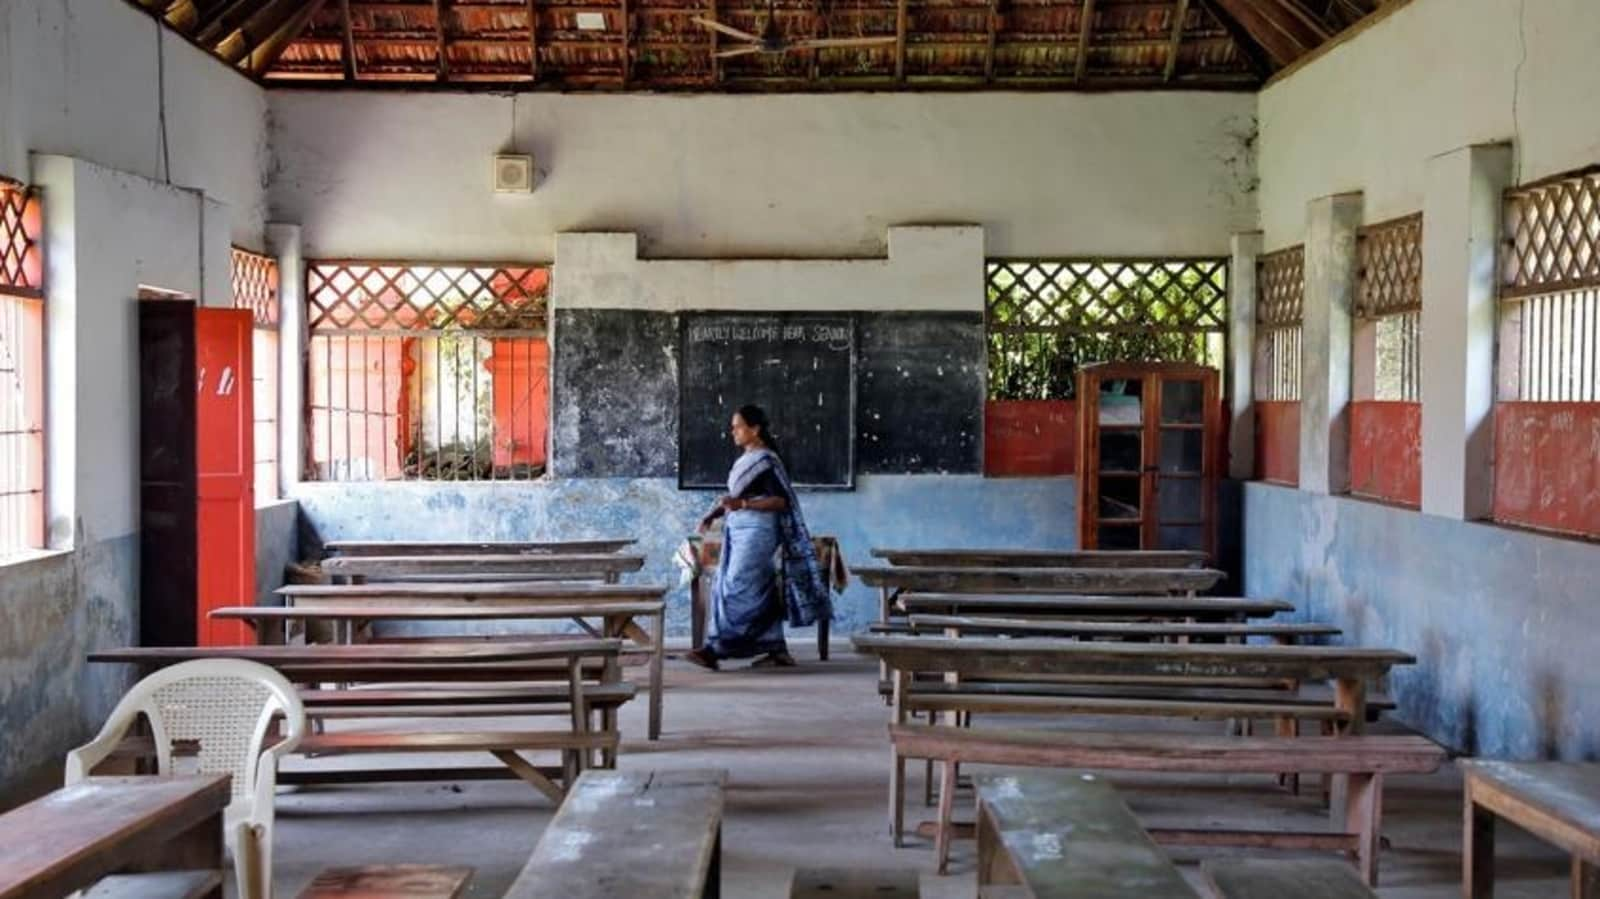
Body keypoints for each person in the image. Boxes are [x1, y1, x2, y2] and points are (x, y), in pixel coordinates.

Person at [685, 405, 830, 671]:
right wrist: (713, 514)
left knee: (736, 586)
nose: (733, 432)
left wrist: (743, 506)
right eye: (733, 427)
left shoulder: (767, 460)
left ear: (755, 429)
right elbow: (739, 498)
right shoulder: (745, 459)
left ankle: (716, 649)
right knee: (753, 587)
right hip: (738, 529)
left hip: (759, 531)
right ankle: (775, 648)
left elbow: (780, 500)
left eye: (738, 427)